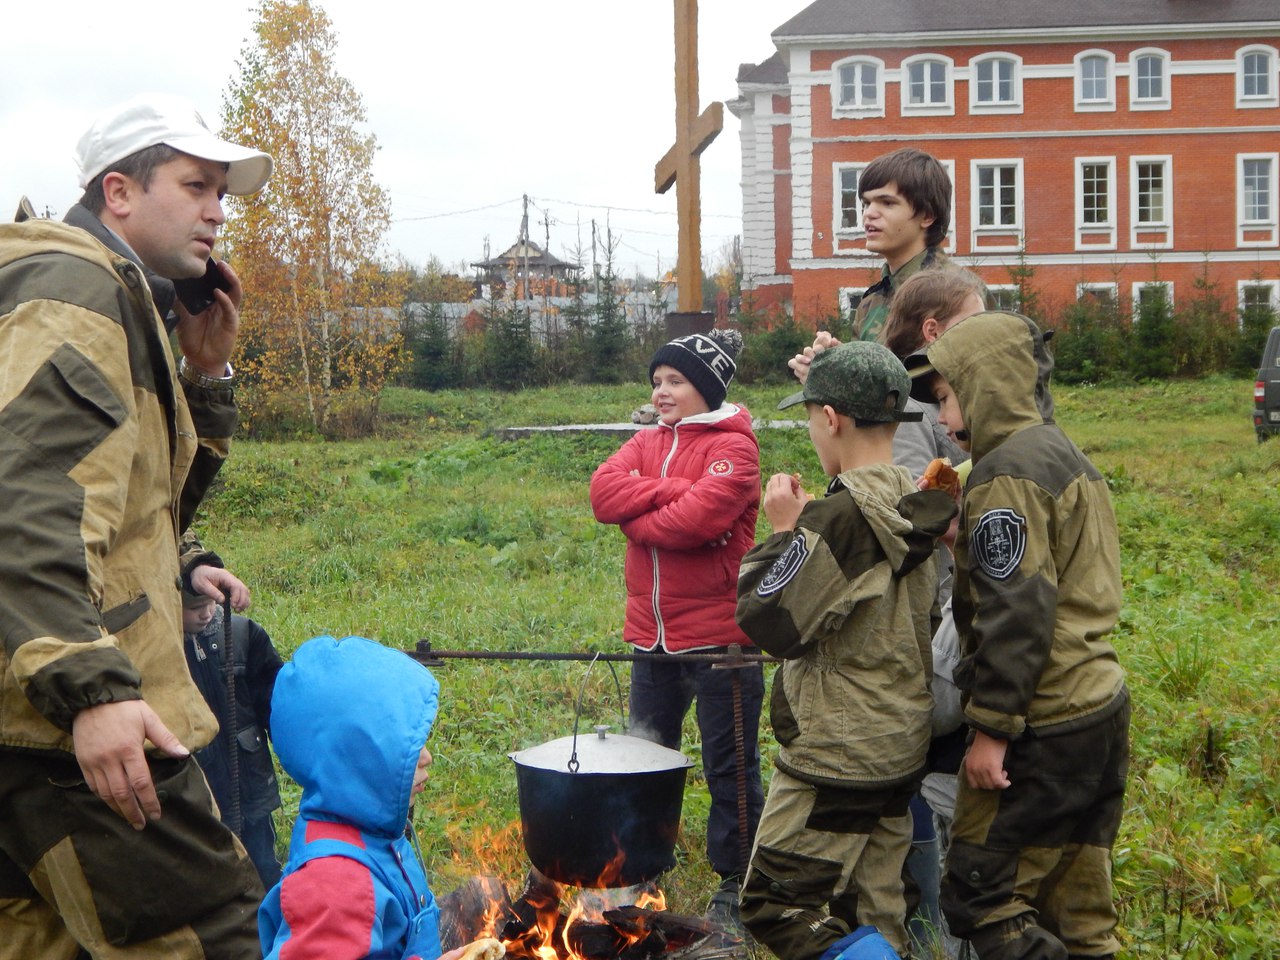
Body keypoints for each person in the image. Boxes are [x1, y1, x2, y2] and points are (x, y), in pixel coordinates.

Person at [0, 92, 271, 957]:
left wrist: (206, 372)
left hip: (32, 696)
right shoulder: (76, 289)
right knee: (208, 936)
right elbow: (27, 500)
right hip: (63, 711)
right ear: (118, 192)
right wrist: (93, 690)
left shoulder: (114, 296)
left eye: (221, 193)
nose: (217, 212)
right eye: (196, 186)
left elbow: (129, 500)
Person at [908, 312, 1129, 960]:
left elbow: (1018, 611)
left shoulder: (1004, 473)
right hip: (1098, 707)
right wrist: (964, 541)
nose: (943, 419)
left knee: (982, 898)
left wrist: (993, 732)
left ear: (985, 385)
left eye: (945, 397)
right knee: (1078, 912)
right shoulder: (1061, 454)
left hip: (1041, 723)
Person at [735, 342, 957, 960]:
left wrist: (785, 533)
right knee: (871, 906)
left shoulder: (837, 521)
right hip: (898, 743)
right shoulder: (917, 505)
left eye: (811, 417)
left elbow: (769, 621)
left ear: (830, 418)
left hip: (837, 755)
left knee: (777, 904)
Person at [588, 328, 765, 929]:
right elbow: (603, 495)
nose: (661, 392)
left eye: (675, 381)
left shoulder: (735, 448)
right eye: (657, 381)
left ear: (706, 389)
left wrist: (638, 518)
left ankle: (736, 882)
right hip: (651, 636)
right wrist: (669, 490)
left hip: (721, 640)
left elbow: (694, 523)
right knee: (645, 757)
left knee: (729, 766)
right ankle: (638, 868)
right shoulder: (646, 440)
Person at [259, 635, 464, 960]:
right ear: (358, 761)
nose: (426, 758)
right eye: (407, 751)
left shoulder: (367, 827)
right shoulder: (335, 887)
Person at [182, 590, 285, 888]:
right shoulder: (165, 653)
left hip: (250, 781)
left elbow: (273, 700)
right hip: (203, 790)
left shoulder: (241, 634)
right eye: (194, 607)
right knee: (213, 873)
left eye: (210, 604)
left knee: (263, 863)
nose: (206, 613)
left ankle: (270, 910)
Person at [853, 147, 954, 343]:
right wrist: (831, 358)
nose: (869, 213)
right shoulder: (870, 302)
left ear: (927, 215)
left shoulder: (957, 294)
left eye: (887, 203)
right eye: (866, 203)